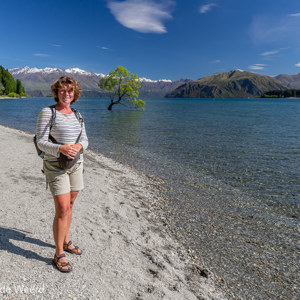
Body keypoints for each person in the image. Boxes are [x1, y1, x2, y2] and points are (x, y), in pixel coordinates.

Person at [35, 76, 88, 272]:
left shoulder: (77, 114)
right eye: (63, 90)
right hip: (55, 165)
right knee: (63, 208)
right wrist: (61, 148)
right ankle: (59, 253)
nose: (66, 94)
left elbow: (86, 140)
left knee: (71, 204)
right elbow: (40, 142)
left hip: (76, 165)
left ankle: (66, 240)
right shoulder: (47, 113)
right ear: (57, 92)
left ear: (75, 94)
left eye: (70, 91)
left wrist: (78, 146)